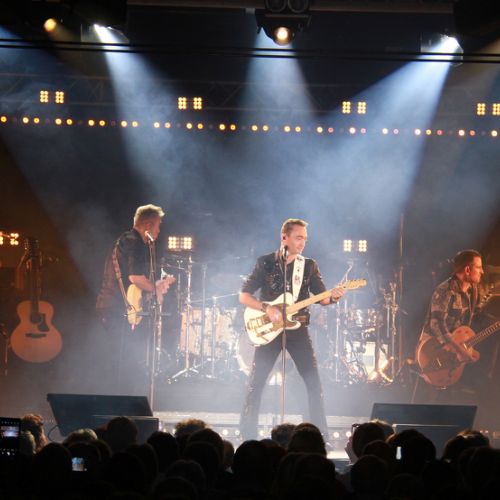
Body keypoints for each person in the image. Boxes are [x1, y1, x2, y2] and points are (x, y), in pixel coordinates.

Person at [239, 218, 344, 440]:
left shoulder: (309, 265)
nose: (302, 243)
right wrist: (266, 308)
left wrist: (333, 297)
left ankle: (319, 435)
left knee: (313, 382)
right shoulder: (265, 263)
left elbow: (322, 298)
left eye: (305, 239)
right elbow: (244, 296)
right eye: (298, 238)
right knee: (256, 382)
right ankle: (247, 434)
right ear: (284, 237)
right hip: (269, 329)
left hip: (298, 329)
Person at [96, 204, 171, 394]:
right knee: (123, 362)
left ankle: (118, 401)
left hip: (112, 305)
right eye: (158, 226)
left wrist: (154, 285)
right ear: (147, 225)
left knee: (119, 360)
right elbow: (135, 277)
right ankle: (120, 403)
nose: (159, 231)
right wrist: (156, 288)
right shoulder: (134, 242)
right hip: (117, 308)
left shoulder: (124, 240)